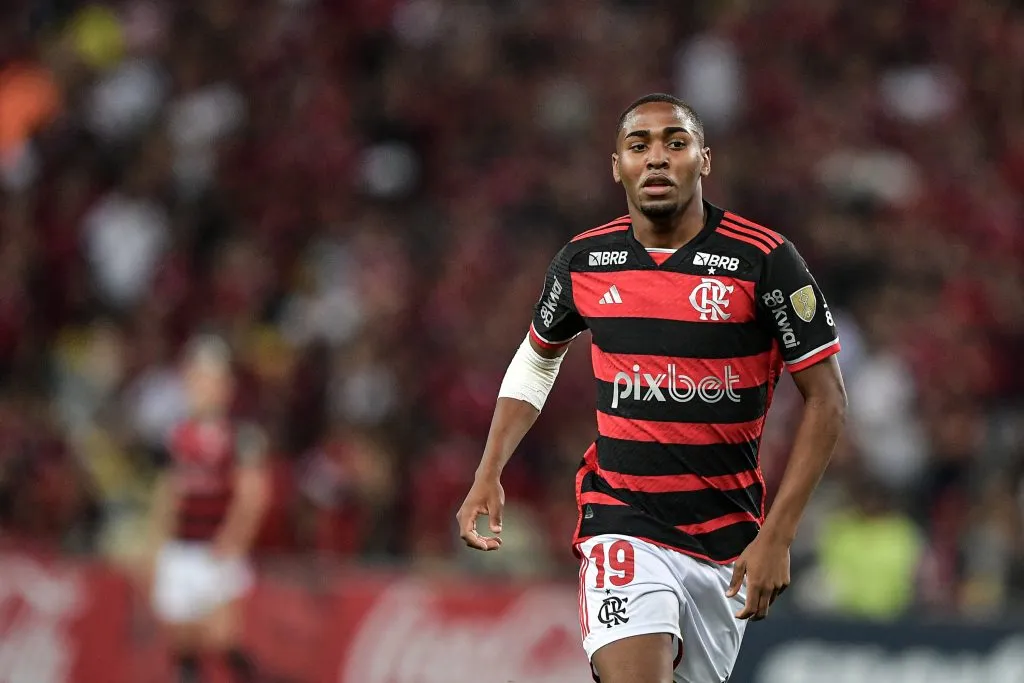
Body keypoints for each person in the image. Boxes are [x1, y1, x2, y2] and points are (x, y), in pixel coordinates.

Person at [456, 94, 847, 683]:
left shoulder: (764, 260)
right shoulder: (584, 261)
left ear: (704, 160)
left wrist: (778, 534)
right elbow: (537, 360)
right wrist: (489, 469)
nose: (657, 158)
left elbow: (828, 398)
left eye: (675, 143)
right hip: (622, 518)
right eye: (639, 146)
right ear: (617, 166)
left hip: (726, 539)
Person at [144, 335, 270, 683]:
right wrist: (155, 542)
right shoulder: (177, 435)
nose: (199, 388)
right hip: (181, 547)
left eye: (208, 379)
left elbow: (252, 493)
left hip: (214, 549)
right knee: (183, 642)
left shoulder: (240, 435)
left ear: (226, 386)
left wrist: (233, 540)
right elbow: (170, 491)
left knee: (221, 638)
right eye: (195, 378)